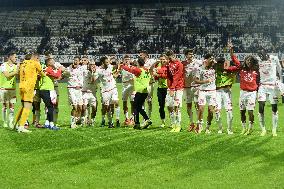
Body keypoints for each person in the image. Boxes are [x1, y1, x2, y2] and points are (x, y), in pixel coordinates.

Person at [230, 47, 259, 135]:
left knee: (250, 111)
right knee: (242, 111)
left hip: (252, 93)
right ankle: (244, 128)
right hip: (242, 93)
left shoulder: (256, 70)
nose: (249, 62)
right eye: (248, 61)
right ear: (245, 61)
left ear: (253, 62)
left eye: (251, 61)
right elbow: (234, 59)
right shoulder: (241, 69)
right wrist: (231, 49)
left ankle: (250, 128)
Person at [14, 52, 45, 133]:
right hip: (29, 87)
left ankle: (16, 124)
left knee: (23, 106)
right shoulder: (35, 63)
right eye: (37, 58)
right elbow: (43, 74)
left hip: (21, 86)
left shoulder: (23, 63)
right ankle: (21, 126)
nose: (38, 60)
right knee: (27, 106)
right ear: (34, 57)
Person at [120, 57, 152, 130]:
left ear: (138, 63)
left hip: (140, 91)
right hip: (145, 91)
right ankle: (143, 120)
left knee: (136, 107)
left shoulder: (139, 70)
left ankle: (140, 122)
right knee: (138, 107)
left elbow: (130, 70)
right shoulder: (146, 70)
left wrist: (122, 66)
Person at [257, 50, 282, 136]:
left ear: (266, 54)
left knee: (274, 108)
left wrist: (281, 82)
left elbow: (279, 69)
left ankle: (274, 129)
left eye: (262, 55)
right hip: (262, 86)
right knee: (261, 106)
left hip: (273, 86)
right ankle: (263, 129)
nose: (261, 57)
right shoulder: (258, 60)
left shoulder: (274, 58)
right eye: (260, 56)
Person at [194, 54, 216, 134]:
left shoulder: (214, 68)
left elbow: (224, 64)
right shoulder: (200, 69)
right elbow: (196, 80)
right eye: (209, 59)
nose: (211, 61)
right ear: (205, 60)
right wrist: (204, 82)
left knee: (211, 111)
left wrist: (214, 62)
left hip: (212, 91)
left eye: (212, 59)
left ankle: (207, 127)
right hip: (203, 91)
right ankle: (199, 125)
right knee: (201, 109)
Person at [95, 56, 120, 128]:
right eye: (106, 62)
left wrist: (115, 60)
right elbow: (94, 79)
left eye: (108, 62)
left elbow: (116, 66)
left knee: (116, 102)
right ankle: (110, 122)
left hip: (113, 88)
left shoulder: (110, 66)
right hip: (105, 91)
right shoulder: (98, 71)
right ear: (102, 63)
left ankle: (117, 120)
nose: (108, 63)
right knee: (107, 107)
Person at [182, 49, 203, 132]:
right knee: (188, 105)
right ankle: (191, 123)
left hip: (196, 87)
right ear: (186, 55)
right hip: (187, 87)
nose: (191, 55)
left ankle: (199, 124)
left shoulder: (198, 62)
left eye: (192, 54)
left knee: (197, 105)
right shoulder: (183, 63)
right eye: (189, 54)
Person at [38, 58, 62, 130]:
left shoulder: (46, 69)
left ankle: (47, 123)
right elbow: (57, 75)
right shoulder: (48, 69)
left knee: (49, 106)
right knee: (51, 107)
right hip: (46, 90)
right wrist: (59, 69)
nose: (54, 62)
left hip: (44, 89)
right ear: (49, 63)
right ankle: (51, 125)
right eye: (52, 61)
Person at [165, 50, 184, 132]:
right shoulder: (169, 64)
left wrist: (172, 88)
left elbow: (177, 77)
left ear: (174, 55)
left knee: (176, 106)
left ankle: (178, 125)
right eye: (168, 58)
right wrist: (169, 87)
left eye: (170, 57)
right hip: (171, 87)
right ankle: (173, 124)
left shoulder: (179, 64)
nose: (169, 59)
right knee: (169, 106)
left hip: (178, 87)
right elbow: (168, 75)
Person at [64, 56, 84, 129]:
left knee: (80, 107)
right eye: (74, 60)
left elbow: (82, 78)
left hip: (79, 90)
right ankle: (72, 123)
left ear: (79, 61)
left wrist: (80, 85)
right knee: (74, 106)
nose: (75, 62)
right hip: (71, 89)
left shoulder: (81, 69)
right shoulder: (69, 68)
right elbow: (64, 74)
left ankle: (76, 120)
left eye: (77, 61)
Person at [0, 52, 19, 128]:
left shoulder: (15, 66)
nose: (16, 58)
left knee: (12, 106)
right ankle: (5, 122)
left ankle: (11, 122)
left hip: (13, 88)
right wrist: (16, 71)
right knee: (4, 106)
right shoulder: (3, 65)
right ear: (10, 57)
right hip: (4, 88)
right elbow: (7, 75)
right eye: (15, 57)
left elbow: (17, 77)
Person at [152, 54, 168, 128]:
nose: (162, 61)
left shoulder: (168, 67)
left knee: (170, 106)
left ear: (166, 59)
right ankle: (163, 122)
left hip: (168, 88)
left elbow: (166, 76)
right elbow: (155, 78)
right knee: (161, 106)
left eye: (164, 59)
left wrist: (157, 74)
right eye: (161, 59)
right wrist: (155, 75)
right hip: (160, 88)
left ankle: (173, 122)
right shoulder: (158, 67)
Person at [139, 50, 156, 119]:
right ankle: (145, 118)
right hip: (142, 84)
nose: (139, 56)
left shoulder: (151, 61)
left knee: (149, 101)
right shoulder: (139, 62)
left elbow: (158, 63)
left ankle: (149, 116)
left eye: (141, 55)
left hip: (150, 84)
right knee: (142, 101)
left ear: (145, 55)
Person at [120, 55, 135, 126]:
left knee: (132, 103)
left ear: (130, 60)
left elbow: (135, 78)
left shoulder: (132, 68)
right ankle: (126, 118)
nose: (127, 60)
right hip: (124, 87)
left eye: (128, 59)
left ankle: (132, 118)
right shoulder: (121, 67)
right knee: (124, 103)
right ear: (123, 60)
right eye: (125, 59)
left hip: (132, 87)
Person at [81, 61, 98, 126]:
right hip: (85, 92)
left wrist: (93, 73)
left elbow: (93, 81)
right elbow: (91, 80)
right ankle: (83, 120)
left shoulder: (96, 73)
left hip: (93, 93)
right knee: (84, 107)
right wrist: (92, 73)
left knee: (94, 108)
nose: (92, 66)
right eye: (91, 64)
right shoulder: (85, 72)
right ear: (88, 66)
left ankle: (92, 120)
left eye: (93, 64)